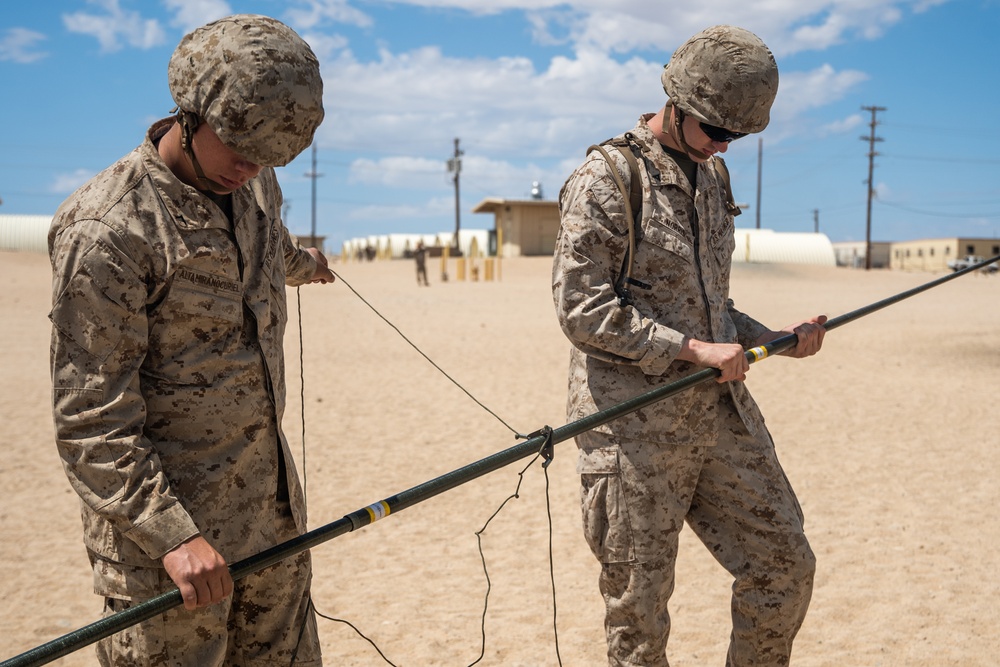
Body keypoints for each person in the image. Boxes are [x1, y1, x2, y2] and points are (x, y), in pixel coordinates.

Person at [48, 15, 332, 666]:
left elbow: (264, 246)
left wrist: (305, 264)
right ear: (191, 111)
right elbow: (93, 421)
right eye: (239, 146)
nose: (251, 166)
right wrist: (174, 537)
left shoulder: (254, 179)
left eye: (267, 156)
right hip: (171, 563)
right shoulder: (108, 229)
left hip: (270, 523)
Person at [552, 25, 827, 667]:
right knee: (639, 620)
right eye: (714, 130)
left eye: (737, 136)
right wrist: (691, 351)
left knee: (785, 564)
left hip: (718, 418)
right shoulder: (607, 178)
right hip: (632, 434)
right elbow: (580, 309)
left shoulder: (711, 177)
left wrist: (776, 340)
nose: (722, 144)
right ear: (674, 101)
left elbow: (712, 306)